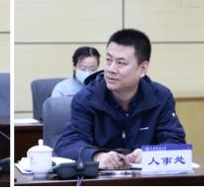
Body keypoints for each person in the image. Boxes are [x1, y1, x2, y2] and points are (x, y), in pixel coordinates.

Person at [54, 29, 185, 167]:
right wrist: (97, 156)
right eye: (108, 60)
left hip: (145, 177)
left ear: (143, 69)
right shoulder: (86, 98)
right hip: (101, 178)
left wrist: (151, 154)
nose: (111, 69)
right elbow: (68, 144)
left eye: (121, 63)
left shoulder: (160, 97)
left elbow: (176, 142)